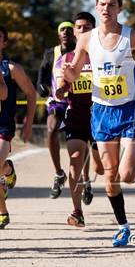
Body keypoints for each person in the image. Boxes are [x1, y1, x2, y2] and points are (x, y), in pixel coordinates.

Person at [60, 0, 135, 246]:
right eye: (102, 4)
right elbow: (75, 73)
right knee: (109, 176)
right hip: (102, 111)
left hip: (129, 108)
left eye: (111, 4)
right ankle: (124, 227)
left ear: (120, 8)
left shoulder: (131, 36)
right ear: (96, 7)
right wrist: (67, 74)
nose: (106, 9)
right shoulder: (86, 39)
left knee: (126, 175)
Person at [55, 12, 104, 227]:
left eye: (87, 27)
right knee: (74, 161)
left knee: (101, 169)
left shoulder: (102, 55)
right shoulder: (64, 60)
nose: (82, 30)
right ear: (74, 32)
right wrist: (61, 89)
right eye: (78, 27)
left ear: (93, 30)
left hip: (101, 116)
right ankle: (77, 212)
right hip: (76, 116)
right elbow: (60, 86)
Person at [0, 25, 36, 229]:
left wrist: (28, 122)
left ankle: (2, 213)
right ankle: (8, 170)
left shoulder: (11, 69)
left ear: (3, 43)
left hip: (3, 128)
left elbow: (31, 94)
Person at [37, 20, 76, 199]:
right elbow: (41, 76)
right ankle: (59, 173)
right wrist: (40, 87)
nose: (66, 32)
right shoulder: (51, 53)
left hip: (78, 102)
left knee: (80, 141)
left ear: (74, 32)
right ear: (58, 34)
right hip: (57, 102)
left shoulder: (82, 51)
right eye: (62, 30)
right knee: (51, 129)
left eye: (69, 29)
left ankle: (84, 178)